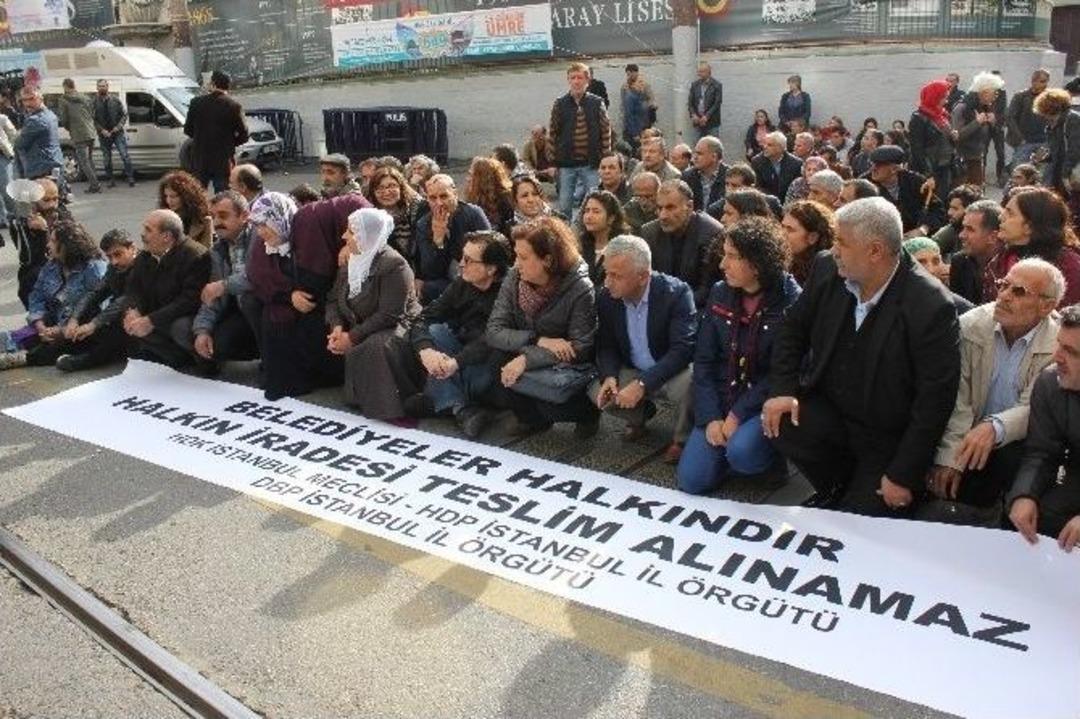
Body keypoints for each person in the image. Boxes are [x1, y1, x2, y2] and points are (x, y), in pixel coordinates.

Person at [762, 197, 961, 515]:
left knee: (857, 520)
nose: (834, 249)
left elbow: (935, 399)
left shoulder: (930, 304)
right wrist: (783, 389)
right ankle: (836, 485)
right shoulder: (827, 267)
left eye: (841, 242)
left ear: (875, 251)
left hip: (885, 437)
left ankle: (862, 490)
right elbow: (793, 327)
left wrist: (903, 474)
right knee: (783, 420)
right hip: (831, 412)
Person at [922, 258, 1062, 526]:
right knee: (945, 486)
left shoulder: (1058, 342)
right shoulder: (971, 325)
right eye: (1003, 285)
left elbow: (1033, 406)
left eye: (1019, 292)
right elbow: (958, 397)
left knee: (1011, 459)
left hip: (1020, 444)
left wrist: (994, 427)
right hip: (966, 437)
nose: (1004, 296)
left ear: (1047, 306)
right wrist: (950, 458)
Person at [677, 218, 800, 494]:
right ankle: (726, 455)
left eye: (732, 256)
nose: (723, 265)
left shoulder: (791, 301)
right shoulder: (720, 292)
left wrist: (737, 414)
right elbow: (704, 361)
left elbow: (782, 372)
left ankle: (767, 459)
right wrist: (711, 417)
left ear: (757, 263)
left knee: (743, 453)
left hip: (761, 403)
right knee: (691, 482)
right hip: (721, 397)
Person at [486, 217, 600, 438]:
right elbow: (494, 330)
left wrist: (526, 359)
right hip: (533, 347)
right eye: (516, 255)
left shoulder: (579, 288)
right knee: (496, 361)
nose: (516, 263)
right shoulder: (514, 277)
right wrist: (536, 340)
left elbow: (581, 347)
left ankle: (587, 414)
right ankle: (531, 420)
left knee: (554, 406)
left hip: (564, 365)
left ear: (547, 260)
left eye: (523, 257)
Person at [402, 230, 511, 436]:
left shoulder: (510, 290)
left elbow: (492, 337)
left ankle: (447, 401)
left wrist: (455, 363)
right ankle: (460, 407)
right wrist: (426, 351)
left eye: (468, 260)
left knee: (493, 355)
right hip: (462, 357)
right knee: (435, 331)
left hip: (493, 366)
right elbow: (424, 318)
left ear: (491, 268)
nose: (461, 264)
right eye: (462, 257)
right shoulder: (463, 283)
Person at [591, 234, 695, 448]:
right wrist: (610, 376)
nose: (607, 282)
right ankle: (640, 415)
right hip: (633, 369)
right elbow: (606, 344)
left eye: (616, 276)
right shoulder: (606, 297)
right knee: (595, 389)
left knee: (691, 383)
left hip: (671, 371)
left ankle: (683, 439)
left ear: (643, 277)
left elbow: (683, 350)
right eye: (607, 273)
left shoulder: (676, 293)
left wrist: (643, 384)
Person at [326, 208, 421, 422]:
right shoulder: (352, 262)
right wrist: (337, 327)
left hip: (399, 326)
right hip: (365, 324)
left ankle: (392, 408)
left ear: (366, 236)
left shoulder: (394, 265)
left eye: (351, 232)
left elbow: (390, 314)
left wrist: (352, 337)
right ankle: (364, 396)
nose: (344, 236)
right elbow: (333, 300)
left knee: (376, 345)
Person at [246, 192, 341, 400]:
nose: (261, 232)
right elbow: (258, 275)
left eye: (264, 224)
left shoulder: (307, 234)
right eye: (257, 226)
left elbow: (322, 272)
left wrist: (301, 294)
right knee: (272, 315)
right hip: (283, 300)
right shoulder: (262, 245)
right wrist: (289, 295)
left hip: (317, 301)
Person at [1007, 304, 1080, 550]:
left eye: (1071, 351)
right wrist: (1024, 495)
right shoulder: (1050, 383)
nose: (1057, 357)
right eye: (1059, 344)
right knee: (1036, 514)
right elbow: (1041, 451)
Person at [0, 221, 107, 370]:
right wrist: (40, 325)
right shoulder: (52, 266)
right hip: (51, 323)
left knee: (53, 349)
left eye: (53, 241)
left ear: (66, 246)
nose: (48, 244)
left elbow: (102, 308)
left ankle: (23, 358)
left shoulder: (93, 268)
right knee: (12, 338)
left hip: (78, 329)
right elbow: (36, 296)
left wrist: (62, 330)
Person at [123, 210, 212, 369]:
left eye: (148, 230)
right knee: (125, 319)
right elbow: (133, 287)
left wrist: (151, 320)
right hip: (158, 313)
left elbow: (189, 300)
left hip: (183, 316)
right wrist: (133, 310)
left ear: (167, 237)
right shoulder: (146, 256)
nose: (142, 234)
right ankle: (169, 356)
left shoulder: (195, 256)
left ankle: (201, 360)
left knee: (180, 328)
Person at [191, 191, 259, 375]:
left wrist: (225, 285)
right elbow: (212, 297)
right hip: (241, 312)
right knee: (214, 343)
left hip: (267, 309)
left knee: (251, 301)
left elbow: (261, 276)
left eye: (223, 216)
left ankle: (270, 360)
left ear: (244, 216)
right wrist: (202, 330)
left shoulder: (260, 236)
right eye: (213, 216)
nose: (217, 222)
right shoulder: (218, 250)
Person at [56, 229, 139, 372]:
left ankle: (87, 360)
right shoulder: (113, 269)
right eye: (109, 257)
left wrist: (94, 324)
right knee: (84, 316)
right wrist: (74, 319)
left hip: (139, 317)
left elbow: (126, 300)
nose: (114, 261)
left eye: (118, 254)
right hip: (115, 316)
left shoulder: (144, 265)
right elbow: (95, 293)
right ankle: (37, 356)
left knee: (122, 320)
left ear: (132, 248)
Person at [983, 187, 1080, 307]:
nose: (1001, 217)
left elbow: (1070, 314)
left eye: (1010, 213)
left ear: (1029, 226)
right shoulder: (1001, 259)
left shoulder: (1069, 267)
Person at [641, 179, 723, 307]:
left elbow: (708, 289)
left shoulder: (711, 234)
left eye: (670, 208)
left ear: (689, 207)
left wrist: (676, 307)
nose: (663, 216)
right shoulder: (650, 233)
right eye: (659, 208)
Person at [412, 174, 491, 304]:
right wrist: (438, 240)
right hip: (447, 281)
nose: (439, 203)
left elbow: (490, 250)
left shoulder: (473, 213)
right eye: (433, 198)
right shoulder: (423, 224)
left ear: (455, 194)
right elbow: (430, 272)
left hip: (476, 276)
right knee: (428, 288)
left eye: (444, 196)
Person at [549, 62, 612, 219]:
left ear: (587, 81)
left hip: (591, 163)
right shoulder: (560, 103)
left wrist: (605, 157)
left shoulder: (597, 102)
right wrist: (552, 163)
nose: (576, 81)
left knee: (595, 202)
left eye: (580, 78)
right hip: (566, 163)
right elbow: (553, 133)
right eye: (573, 78)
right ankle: (565, 232)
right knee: (564, 205)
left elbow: (606, 131)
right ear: (568, 80)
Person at [9, 178, 70, 309]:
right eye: (46, 200)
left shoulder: (62, 214)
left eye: (55, 199)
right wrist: (42, 232)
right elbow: (30, 258)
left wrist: (47, 229)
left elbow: (76, 245)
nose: (52, 204)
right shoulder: (21, 223)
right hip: (37, 275)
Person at [183, 70, 248, 192]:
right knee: (223, 195)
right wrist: (230, 143)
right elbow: (244, 134)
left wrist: (200, 139)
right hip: (223, 160)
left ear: (212, 84)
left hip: (201, 158)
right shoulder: (234, 106)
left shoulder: (196, 103)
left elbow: (188, 130)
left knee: (198, 195)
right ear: (228, 86)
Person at [867, 145, 945, 237]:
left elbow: (937, 209)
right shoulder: (866, 185)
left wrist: (924, 228)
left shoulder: (915, 181)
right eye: (872, 164)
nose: (873, 169)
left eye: (878, 165)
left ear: (894, 169)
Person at [953, 71, 1006, 187]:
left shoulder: (985, 107)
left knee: (978, 191)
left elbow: (994, 131)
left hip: (977, 157)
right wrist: (977, 122)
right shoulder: (962, 107)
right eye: (994, 93)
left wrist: (993, 122)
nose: (996, 97)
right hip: (963, 160)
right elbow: (957, 136)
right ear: (984, 92)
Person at [908, 79, 957, 203]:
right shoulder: (918, 118)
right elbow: (917, 149)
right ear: (934, 97)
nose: (946, 101)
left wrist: (953, 136)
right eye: (943, 98)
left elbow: (944, 138)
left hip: (946, 166)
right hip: (930, 168)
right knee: (931, 202)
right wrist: (928, 174)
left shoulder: (944, 115)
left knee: (945, 200)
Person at [950, 200, 1004, 306]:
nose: (961, 235)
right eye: (963, 228)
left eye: (970, 229)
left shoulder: (1010, 267)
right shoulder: (959, 262)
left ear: (993, 237)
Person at [903, 236, 974, 315]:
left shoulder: (959, 308)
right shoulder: (895, 303)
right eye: (921, 263)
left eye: (936, 262)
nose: (931, 270)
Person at [364, 165, 422, 262]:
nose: (387, 192)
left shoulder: (414, 212)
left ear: (401, 188)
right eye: (380, 188)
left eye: (392, 186)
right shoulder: (369, 218)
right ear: (373, 192)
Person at [1034, 88, 1080, 197]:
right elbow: (1056, 151)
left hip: (1071, 171)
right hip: (1059, 171)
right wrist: (1043, 158)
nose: (1044, 116)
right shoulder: (1052, 125)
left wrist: (1065, 173)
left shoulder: (1072, 119)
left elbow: (1075, 149)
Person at [57, 78, 100, 194]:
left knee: (83, 161)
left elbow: (64, 119)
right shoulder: (85, 97)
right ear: (74, 85)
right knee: (89, 159)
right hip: (90, 132)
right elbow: (92, 113)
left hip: (78, 134)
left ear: (65, 86)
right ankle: (95, 182)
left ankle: (95, 185)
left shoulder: (63, 100)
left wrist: (69, 128)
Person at [14, 86, 62, 184]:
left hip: (40, 170)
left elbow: (19, 144)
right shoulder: (50, 114)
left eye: (31, 98)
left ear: (41, 98)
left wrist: (18, 134)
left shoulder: (35, 120)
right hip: (53, 165)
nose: (27, 103)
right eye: (24, 100)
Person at [782, 199, 836, 286]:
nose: (781, 233)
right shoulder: (781, 262)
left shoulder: (824, 274)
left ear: (812, 237)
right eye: (782, 226)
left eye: (790, 229)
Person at [577, 190, 627, 284]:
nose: (589, 216)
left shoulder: (623, 247)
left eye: (596, 212)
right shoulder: (579, 244)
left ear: (611, 218)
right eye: (587, 211)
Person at [91, 79, 133, 189]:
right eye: (100, 86)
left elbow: (124, 115)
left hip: (117, 133)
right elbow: (92, 119)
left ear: (107, 87)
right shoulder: (94, 102)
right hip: (103, 134)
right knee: (107, 159)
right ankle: (110, 179)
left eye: (104, 86)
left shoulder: (115, 100)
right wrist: (101, 130)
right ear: (97, 88)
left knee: (124, 155)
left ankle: (130, 177)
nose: (102, 88)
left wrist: (118, 127)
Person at [1006, 69, 1051, 170]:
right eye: (1042, 81)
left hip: (1044, 141)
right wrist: (1020, 138)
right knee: (1019, 169)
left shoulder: (1049, 97)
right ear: (1034, 81)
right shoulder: (1021, 97)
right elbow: (1010, 118)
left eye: (1046, 81)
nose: (1045, 85)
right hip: (1025, 141)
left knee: (1043, 171)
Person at [158, 170, 213, 248]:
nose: (168, 201)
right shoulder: (163, 218)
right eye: (166, 196)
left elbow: (206, 250)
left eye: (173, 196)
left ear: (185, 196)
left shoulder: (203, 220)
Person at [465, 156, 515, 237]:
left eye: (471, 175)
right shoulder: (472, 197)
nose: (468, 179)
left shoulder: (505, 199)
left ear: (482, 178)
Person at [932, 184, 983, 259]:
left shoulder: (983, 234)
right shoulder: (952, 230)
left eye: (955, 209)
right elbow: (928, 248)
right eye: (950, 208)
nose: (949, 212)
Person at [750, 130, 802, 202]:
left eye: (769, 145)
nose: (765, 147)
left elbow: (797, 188)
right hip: (766, 201)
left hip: (789, 201)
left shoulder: (796, 163)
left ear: (780, 147)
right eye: (765, 144)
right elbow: (758, 186)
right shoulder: (757, 161)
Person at [682, 136, 728, 213]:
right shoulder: (687, 177)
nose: (694, 157)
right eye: (694, 153)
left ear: (714, 156)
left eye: (699, 154)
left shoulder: (729, 176)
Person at [688, 62, 723, 140]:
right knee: (697, 144)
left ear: (708, 72)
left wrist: (707, 116)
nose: (699, 74)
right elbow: (690, 103)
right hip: (697, 121)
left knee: (713, 144)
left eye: (701, 72)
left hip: (712, 122)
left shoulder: (716, 85)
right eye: (698, 71)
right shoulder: (695, 85)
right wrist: (693, 114)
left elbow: (717, 103)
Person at [621, 74, 650, 154]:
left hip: (642, 130)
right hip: (634, 133)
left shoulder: (640, 95)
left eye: (643, 82)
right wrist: (635, 134)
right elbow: (629, 116)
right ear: (633, 84)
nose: (642, 84)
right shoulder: (630, 97)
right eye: (640, 82)